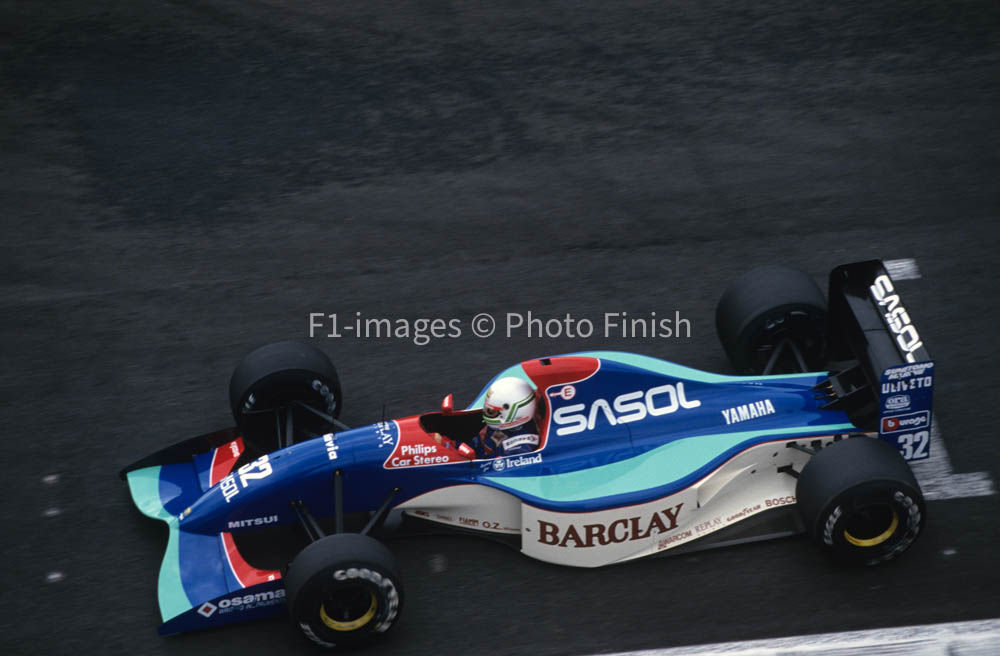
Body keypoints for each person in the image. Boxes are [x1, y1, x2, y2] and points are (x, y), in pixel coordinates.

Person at [470, 377, 540, 459]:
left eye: (492, 412)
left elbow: (492, 467)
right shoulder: (503, 427)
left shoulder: (520, 449)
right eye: (488, 410)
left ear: (514, 413)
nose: (487, 413)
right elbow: (477, 444)